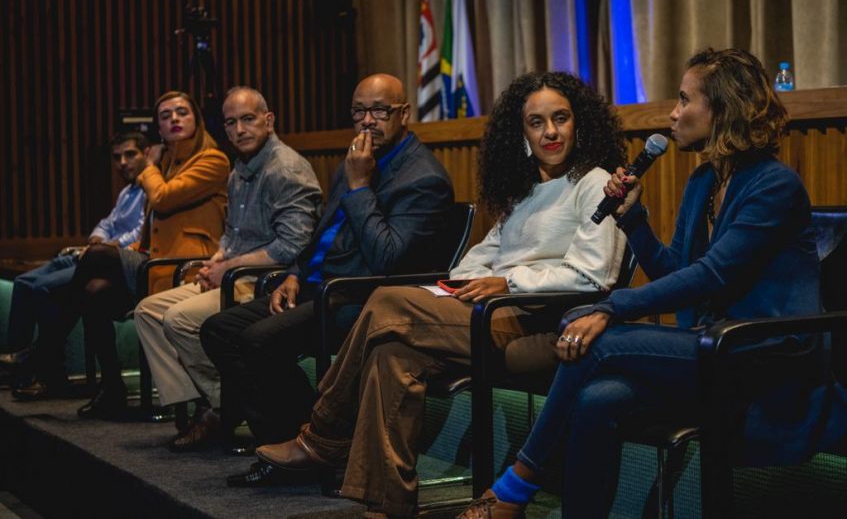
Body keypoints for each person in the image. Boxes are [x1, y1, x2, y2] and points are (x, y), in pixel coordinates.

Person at [239, 71, 629, 518]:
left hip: (540, 321)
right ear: (522, 134)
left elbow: (594, 275)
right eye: (536, 123)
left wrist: (509, 282)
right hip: (490, 312)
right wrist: (469, 284)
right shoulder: (527, 191)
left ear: (580, 123)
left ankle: (323, 434)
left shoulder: (594, 182)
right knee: (391, 354)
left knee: (386, 301)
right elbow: (479, 258)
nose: (550, 132)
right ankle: (387, 506)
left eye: (560, 118)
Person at [458, 49, 822, 519]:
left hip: (761, 357)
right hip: (710, 346)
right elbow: (675, 271)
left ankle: (514, 487)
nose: (673, 113)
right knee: (596, 398)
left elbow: (712, 274)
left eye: (685, 99)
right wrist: (632, 218)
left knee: (599, 339)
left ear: (722, 109)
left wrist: (611, 307)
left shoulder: (774, 185)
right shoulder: (705, 181)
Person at [200, 73, 454, 449]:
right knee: (218, 330)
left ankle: (309, 443)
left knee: (256, 341)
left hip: (355, 296)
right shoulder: (356, 161)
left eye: (379, 111)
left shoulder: (422, 179)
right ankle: (299, 435)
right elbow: (320, 235)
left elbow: (387, 259)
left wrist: (359, 186)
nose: (367, 121)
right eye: (359, 112)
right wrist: (294, 273)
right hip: (315, 286)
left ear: (404, 114)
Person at [133, 86, 322, 451]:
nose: (239, 130)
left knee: (179, 318)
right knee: (148, 311)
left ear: (269, 121)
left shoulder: (286, 169)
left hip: (269, 281)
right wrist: (217, 260)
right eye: (231, 122)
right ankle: (212, 403)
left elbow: (293, 247)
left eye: (248, 119)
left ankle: (224, 407)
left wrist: (228, 266)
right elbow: (232, 234)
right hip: (237, 273)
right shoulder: (239, 168)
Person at [72, 90, 230, 419]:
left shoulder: (212, 160)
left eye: (182, 112)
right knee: (94, 291)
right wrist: (129, 249)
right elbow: (150, 230)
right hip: (154, 263)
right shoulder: (165, 164)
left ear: (197, 120)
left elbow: (163, 199)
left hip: (186, 266)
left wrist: (148, 167)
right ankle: (112, 387)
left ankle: (48, 344)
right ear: (159, 128)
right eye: (165, 116)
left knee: (95, 256)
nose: (174, 119)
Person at [4, 132, 148, 396]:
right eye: (117, 157)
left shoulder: (152, 187)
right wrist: (98, 238)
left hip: (112, 261)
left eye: (130, 155)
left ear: (146, 154)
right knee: (23, 282)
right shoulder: (127, 191)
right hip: (94, 252)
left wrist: (106, 245)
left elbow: (140, 233)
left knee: (43, 289)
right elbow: (106, 223)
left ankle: (42, 367)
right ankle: (19, 360)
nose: (122, 163)